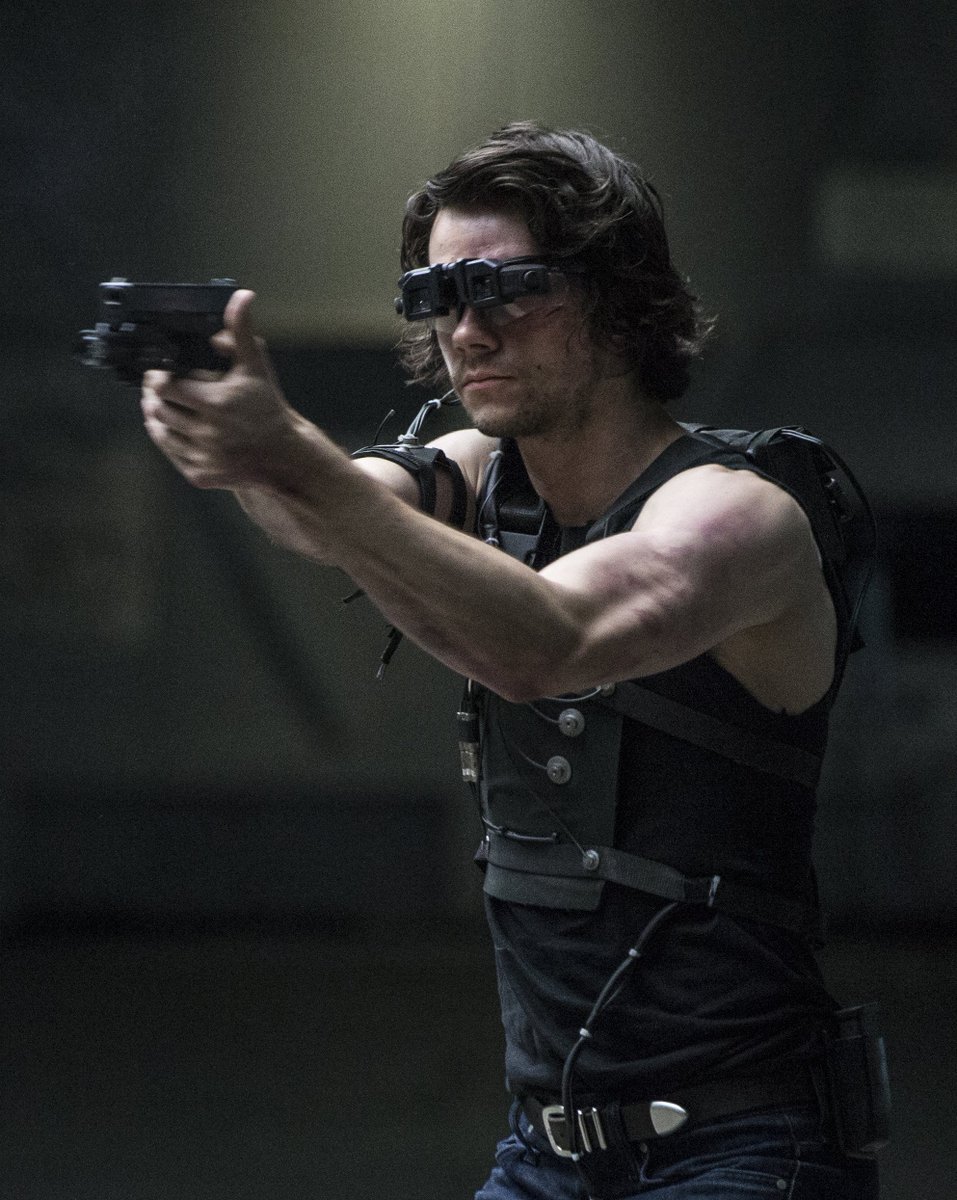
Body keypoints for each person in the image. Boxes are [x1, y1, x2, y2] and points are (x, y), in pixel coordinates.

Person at [141, 122, 880, 1199]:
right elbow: (323, 516)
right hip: (548, 1152)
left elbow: (550, 644)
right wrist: (238, 443)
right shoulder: (480, 473)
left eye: (509, 289)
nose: (467, 329)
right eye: (438, 296)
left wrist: (285, 454)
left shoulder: (737, 515)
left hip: (742, 1147)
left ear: (617, 300)